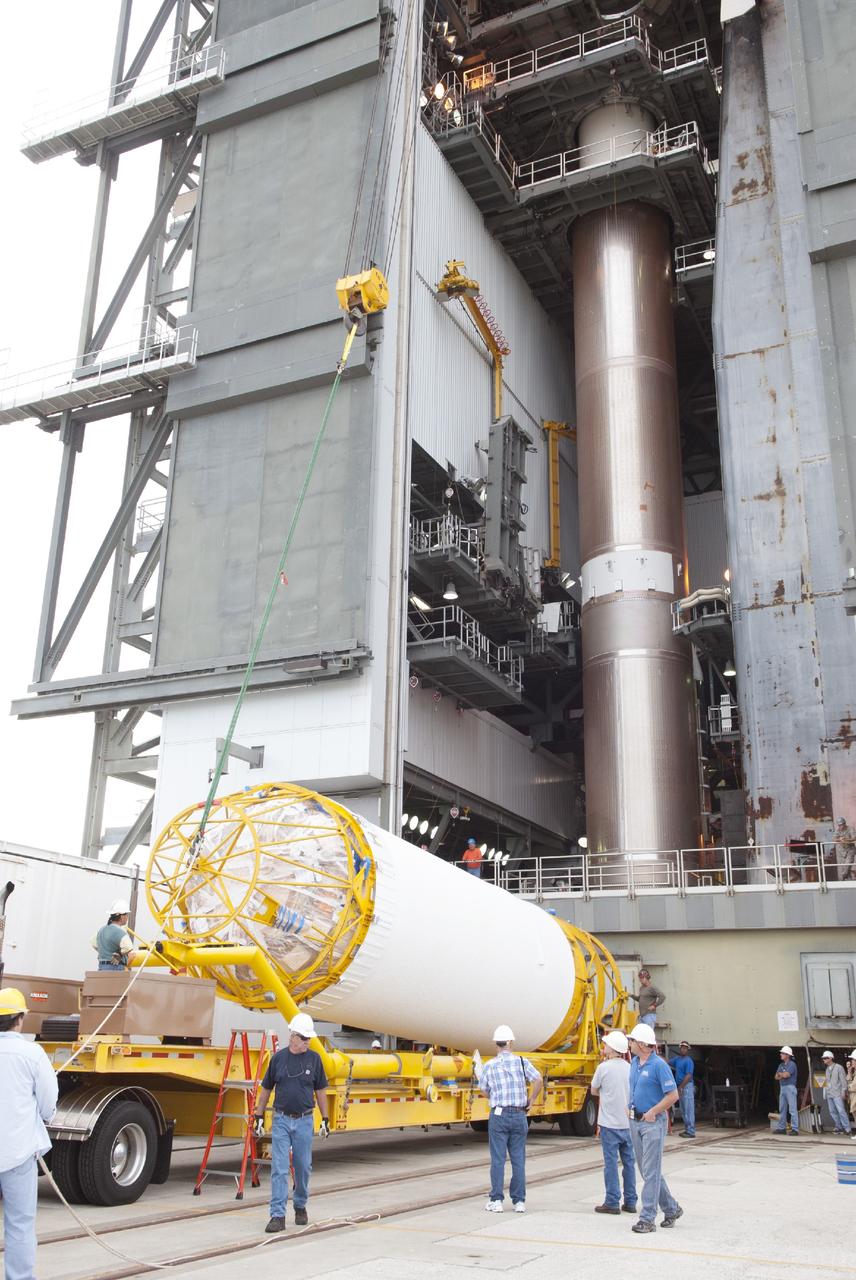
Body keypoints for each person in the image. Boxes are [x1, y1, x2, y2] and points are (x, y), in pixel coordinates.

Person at [0, 987, 59, 1280]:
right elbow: (49, 1103)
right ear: (20, 1019)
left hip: (15, 1151)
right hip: (18, 1154)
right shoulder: (31, 1053)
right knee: (20, 1224)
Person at [253, 1013, 330, 1233]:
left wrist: (324, 1119)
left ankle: (300, 1205)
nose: (307, 1042)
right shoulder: (278, 1059)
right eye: (304, 1038)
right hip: (282, 1120)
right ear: (293, 1036)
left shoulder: (314, 1060)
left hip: (305, 1121)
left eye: (308, 1039)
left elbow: (321, 1091)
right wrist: (259, 1116)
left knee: (303, 1167)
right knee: (279, 1168)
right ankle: (277, 1215)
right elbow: (266, 1089)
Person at [479, 1024, 543, 1213]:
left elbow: (483, 1089)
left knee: (498, 1159)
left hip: (498, 1115)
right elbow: (538, 1079)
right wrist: (531, 1099)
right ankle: (519, 1201)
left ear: (496, 1044)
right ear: (511, 1042)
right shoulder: (522, 1062)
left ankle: (497, 1200)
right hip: (519, 1114)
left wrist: (493, 1095)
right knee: (518, 1159)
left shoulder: (489, 1065)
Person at [627, 1022, 682, 1234]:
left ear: (641, 1044)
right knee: (648, 1170)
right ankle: (672, 1208)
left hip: (652, 1124)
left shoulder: (659, 1065)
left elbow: (673, 1095)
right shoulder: (634, 1063)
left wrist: (654, 1111)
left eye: (632, 1040)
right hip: (635, 1121)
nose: (629, 1043)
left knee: (650, 1172)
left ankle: (648, 1217)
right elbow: (634, 1088)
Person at [590, 1029, 637, 1216]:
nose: (604, 1046)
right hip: (628, 1123)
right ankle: (631, 1201)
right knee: (629, 1164)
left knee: (611, 1164)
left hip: (609, 1124)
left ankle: (612, 1202)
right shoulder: (631, 1067)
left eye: (606, 1044)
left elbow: (594, 1090)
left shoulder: (604, 1068)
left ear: (612, 1048)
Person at [91, 899, 137, 970]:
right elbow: (128, 948)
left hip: (102, 967)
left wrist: (105, 953)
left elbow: (93, 943)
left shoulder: (101, 930)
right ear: (122, 917)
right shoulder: (120, 932)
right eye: (127, 915)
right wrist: (120, 954)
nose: (127, 918)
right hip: (115, 967)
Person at [669, 1041, 696, 1138]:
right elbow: (667, 1062)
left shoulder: (689, 1061)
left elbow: (689, 1075)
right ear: (680, 1049)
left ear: (688, 1050)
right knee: (683, 1109)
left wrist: (680, 1087)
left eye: (685, 1048)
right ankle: (687, 1130)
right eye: (682, 1047)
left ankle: (691, 1131)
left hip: (686, 1086)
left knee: (688, 1109)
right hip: (681, 1086)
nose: (683, 1049)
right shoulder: (677, 1059)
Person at [821, 1050, 852, 1135]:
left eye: (825, 1058)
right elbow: (827, 1082)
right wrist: (825, 1093)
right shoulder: (827, 1069)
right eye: (823, 1058)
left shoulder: (839, 1067)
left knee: (841, 1111)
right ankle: (839, 1127)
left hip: (837, 1094)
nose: (824, 1059)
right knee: (832, 1111)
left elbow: (843, 1081)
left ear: (831, 1058)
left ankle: (847, 1129)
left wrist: (843, 1091)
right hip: (830, 1094)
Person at [773, 1045, 799, 1134]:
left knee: (792, 1109)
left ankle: (795, 1129)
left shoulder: (792, 1064)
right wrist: (782, 1074)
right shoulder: (781, 1065)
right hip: (783, 1087)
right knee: (782, 1108)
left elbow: (786, 1075)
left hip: (790, 1087)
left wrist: (781, 1074)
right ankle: (782, 1128)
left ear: (788, 1055)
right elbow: (776, 1077)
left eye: (783, 1053)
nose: (781, 1054)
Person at [847, 1050, 856, 1140]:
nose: (852, 1061)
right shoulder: (854, 1072)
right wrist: (849, 1072)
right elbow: (849, 1080)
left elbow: (853, 1087)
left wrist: (849, 1086)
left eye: (853, 1059)